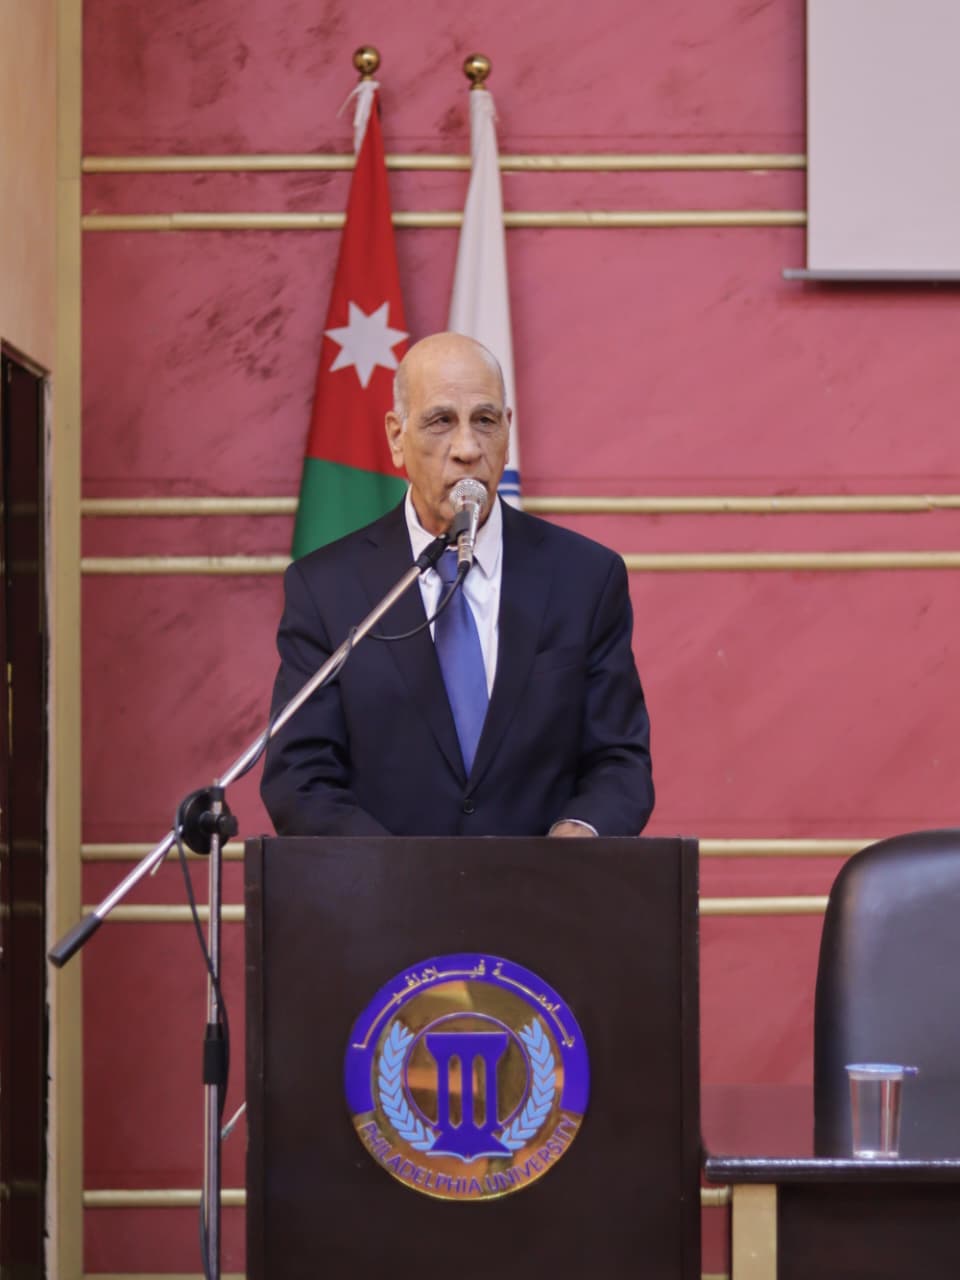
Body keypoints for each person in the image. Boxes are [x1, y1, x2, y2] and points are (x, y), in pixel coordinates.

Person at [260, 332, 653, 838]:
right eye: (441, 421)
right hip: (383, 887)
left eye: (485, 421)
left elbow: (620, 762)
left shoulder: (586, 577)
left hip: (543, 884)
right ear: (397, 437)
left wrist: (581, 832)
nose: (467, 449)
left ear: (507, 433)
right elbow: (300, 778)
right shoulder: (326, 587)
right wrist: (396, 872)